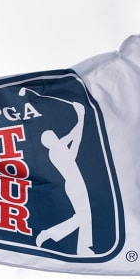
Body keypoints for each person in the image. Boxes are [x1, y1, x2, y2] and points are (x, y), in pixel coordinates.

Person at [35, 101, 94, 255]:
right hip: (74, 184)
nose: (54, 136)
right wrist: (81, 116)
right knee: (83, 216)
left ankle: (83, 248)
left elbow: (74, 137)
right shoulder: (55, 151)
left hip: (76, 182)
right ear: (49, 142)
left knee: (86, 215)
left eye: (53, 135)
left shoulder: (58, 147)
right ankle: (50, 233)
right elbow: (75, 139)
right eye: (51, 136)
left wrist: (81, 116)